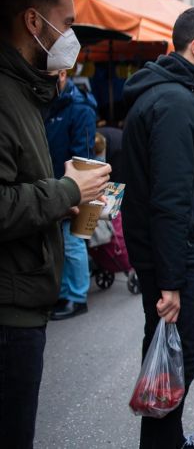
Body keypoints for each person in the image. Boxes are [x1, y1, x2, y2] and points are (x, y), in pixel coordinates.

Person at [0, 0, 110, 448]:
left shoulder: (25, 91)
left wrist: (63, 200)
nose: (71, 37)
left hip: (23, 296)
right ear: (32, 23)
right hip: (9, 309)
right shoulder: (5, 95)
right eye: (65, 24)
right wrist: (66, 191)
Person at [121, 7, 194, 449]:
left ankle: (172, 438)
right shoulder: (175, 102)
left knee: (169, 353)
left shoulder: (171, 94)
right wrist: (171, 280)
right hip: (173, 258)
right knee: (176, 354)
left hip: (171, 254)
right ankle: (163, 443)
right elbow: (170, 198)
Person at [44, 67, 98, 320]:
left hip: (73, 186)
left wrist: (74, 189)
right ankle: (66, 294)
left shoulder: (80, 107)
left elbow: (83, 155)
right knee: (62, 244)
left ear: (63, 74)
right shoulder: (52, 103)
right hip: (53, 184)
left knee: (72, 243)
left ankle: (77, 297)